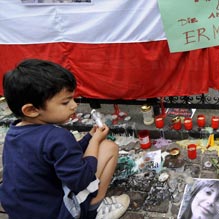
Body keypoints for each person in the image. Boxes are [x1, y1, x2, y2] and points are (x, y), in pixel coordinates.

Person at [0, 59, 130, 219]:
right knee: (109, 147)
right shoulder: (56, 136)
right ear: (32, 110)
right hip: (57, 213)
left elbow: (65, 154)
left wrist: (89, 137)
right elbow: (82, 179)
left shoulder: (15, 132)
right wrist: (95, 141)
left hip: (23, 210)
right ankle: (93, 211)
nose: (74, 106)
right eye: (65, 102)